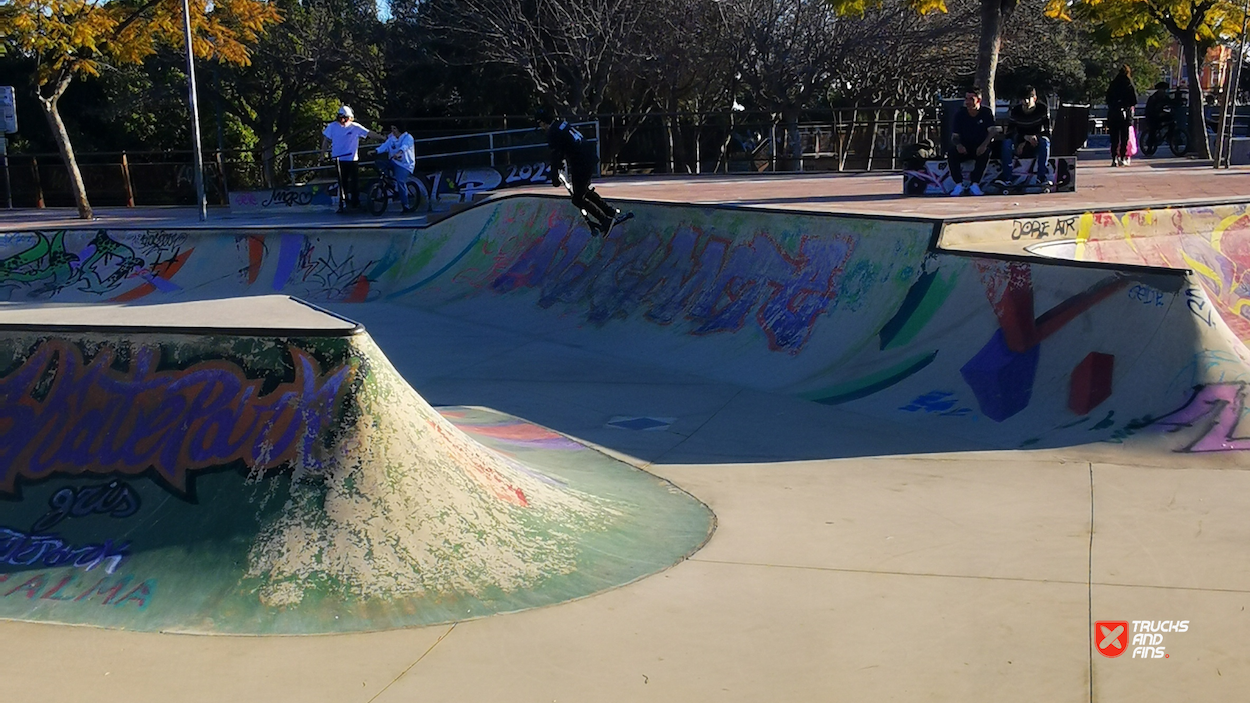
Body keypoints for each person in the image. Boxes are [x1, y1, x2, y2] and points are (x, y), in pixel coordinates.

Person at [535, 107, 623, 233]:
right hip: (589, 157)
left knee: (577, 199)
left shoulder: (553, 132)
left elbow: (556, 156)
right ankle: (610, 211)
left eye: (541, 124)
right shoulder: (562, 124)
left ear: (543, 122)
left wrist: (554, 176)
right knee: (583, 191)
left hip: (580, 163)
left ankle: (605, 220)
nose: (542, 128)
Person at [321, 105, 382, 213]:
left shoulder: (355, 127)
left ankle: (355, 202)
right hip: (339, 159)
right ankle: (343, 203)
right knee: (342, 182)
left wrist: (382, 138)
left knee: (354, 182)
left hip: (352, 159)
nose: (342, 120)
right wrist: (323, 155)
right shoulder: (332, 126)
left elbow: (369, 133)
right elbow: (326, 141)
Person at [996, 85, 1052, 187]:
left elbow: (1048, 131)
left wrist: (1033, 137)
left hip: (1035, 143)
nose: (1025, 102)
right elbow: (1009, 133)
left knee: (1045, 141)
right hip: (1019, 145)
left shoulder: (1042, 109)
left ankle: (1041, 177)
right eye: (1023, 99)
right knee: (1006, 143)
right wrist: (1023, 138)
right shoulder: (1016, 111)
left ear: (1034, 99)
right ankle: (1007, 178)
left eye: (1028, 99)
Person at [947, 87, 999, 196]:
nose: (968, 102)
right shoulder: (960, 114)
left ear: (978, 100)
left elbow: (991, 131)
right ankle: (958, 184)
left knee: (986, 152)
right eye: (966, 99)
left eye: (971, 99)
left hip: (980, 146)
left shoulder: (986, 112)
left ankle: (975, 184)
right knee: (952, 152)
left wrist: (984, 145)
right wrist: (959, 145)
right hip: (965, 147)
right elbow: (955, 136)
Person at [375, 123, 416, 212]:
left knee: (400, 182)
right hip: (393, 161)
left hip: (405, 165)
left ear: (399, 129)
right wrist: (376, 151)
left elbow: (404, 147)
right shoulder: (391, 138)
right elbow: (385, 146)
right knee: (378, 163)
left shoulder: (408, 137)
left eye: (394, 128)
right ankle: (389, 182)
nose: (392, 131)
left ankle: (406, 206)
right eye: (392, 128)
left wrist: (399, 153)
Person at [1106, 66, 1137, 167]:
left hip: (1114, 113)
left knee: (1114, 137)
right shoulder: (1129, 83)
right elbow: (1134, 100)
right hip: (1125, 114)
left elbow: (1107, 98)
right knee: (1124, 137)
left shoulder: (1114, 83)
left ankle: (1114, 158)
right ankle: (1122, 157)